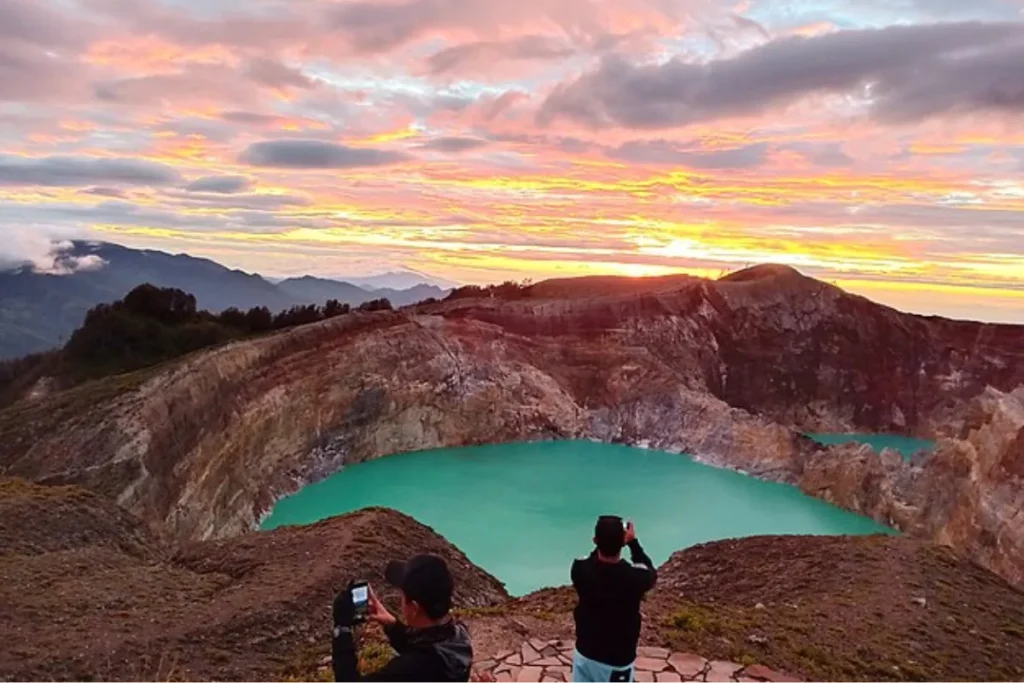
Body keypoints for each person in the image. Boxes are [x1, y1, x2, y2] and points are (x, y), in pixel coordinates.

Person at [332, 554, 473, 681]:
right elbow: (426, 650)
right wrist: (391, 624)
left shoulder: (409, 670)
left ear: (415, 608)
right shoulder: (459, 636)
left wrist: (341, 629)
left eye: (402, 595)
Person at [570, 515, 657, 682]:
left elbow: (591, 560)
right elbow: (650, 571)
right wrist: (633, 543)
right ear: (622, 542)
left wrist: (604, 540)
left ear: (595, 540)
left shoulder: (580, 570)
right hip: (616, 661)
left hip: (584, 653)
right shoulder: (635, 578)